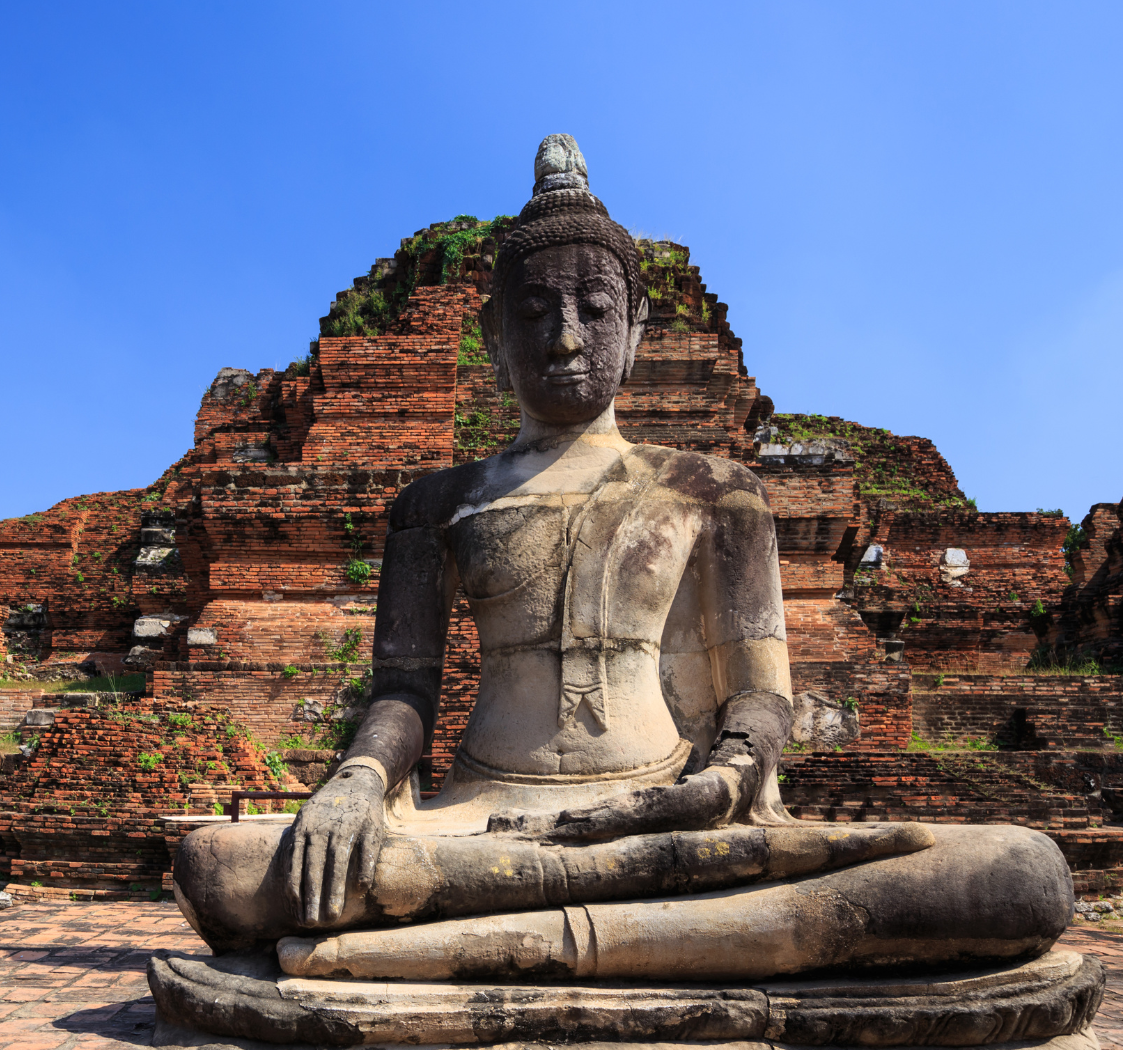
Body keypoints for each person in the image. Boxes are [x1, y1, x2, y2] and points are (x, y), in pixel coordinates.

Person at [170, 135, 1071, 983]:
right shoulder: (436, 506)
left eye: (593, 310)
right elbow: (404, 695)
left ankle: (436, 947)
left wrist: (722, 780)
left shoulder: (714, 492)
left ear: (636, 327)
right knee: (218, 866)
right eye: (535, 312)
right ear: (491, 335)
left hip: (673, 813)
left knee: (1018, 872)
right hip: (479, 818)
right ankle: (662, 940)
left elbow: (760, 698)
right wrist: (358, 784)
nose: (565, 337)